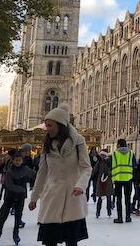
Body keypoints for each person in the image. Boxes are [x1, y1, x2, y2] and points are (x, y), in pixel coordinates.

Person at [28, 103, 91, 246]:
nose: (47, 129)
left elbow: (86, 168)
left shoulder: (78, 141)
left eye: (50, 125)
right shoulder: (47, 144)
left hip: (73, 197)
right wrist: (34, 197)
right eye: (46, 125)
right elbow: (42, 173)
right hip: (52, 198)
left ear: (60, 124)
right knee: (50, 241)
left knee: (71, 242)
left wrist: (81, 185)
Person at [0, 150, 35, 245]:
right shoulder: (10, 171)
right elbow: (9, 185)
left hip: (20, 198)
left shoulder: (26, 169)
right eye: (16, 160)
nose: (18, 162)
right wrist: (22, 189)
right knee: (4, 217)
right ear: (13, 160)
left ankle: (16, 234)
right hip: (10, 196)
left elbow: (35, 175)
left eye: (19, 160)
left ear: (22, 160)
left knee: (18, 216)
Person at [110, 138, 136, 223]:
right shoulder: (131, 153)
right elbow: (134, 165)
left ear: (119, 145)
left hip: (118, 179)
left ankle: (120, 218)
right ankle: (128, 217)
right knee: (128, 199)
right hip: (128, 178)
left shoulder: (114, 154)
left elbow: (110, 166)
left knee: (119, 199)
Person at [90, 150, 113, 219]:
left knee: (108, 196)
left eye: (103, 155)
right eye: (101, 155)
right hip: (100, 181)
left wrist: (109, 173)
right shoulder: (99, 162)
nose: (101, 156)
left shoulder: (109, 162)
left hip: (108, 180)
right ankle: (98, 212)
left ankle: (109, 211)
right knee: (99, 197)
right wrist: (91, 175)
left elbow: (112, 170)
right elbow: (94, 170)